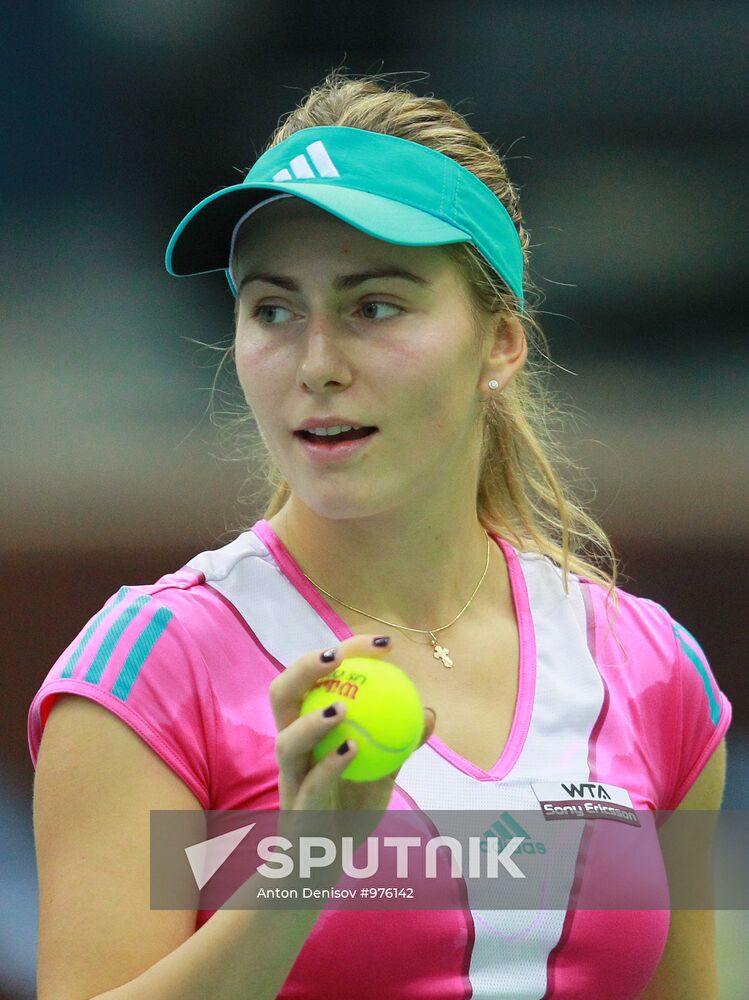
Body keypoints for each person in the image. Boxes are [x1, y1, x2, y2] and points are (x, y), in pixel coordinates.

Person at [29, 71, 731, 1000]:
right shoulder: (149, 674)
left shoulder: (650, 671)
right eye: (272, 310)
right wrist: (304, 869)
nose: (316, 364)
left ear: (500, 344)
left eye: (376, 306)